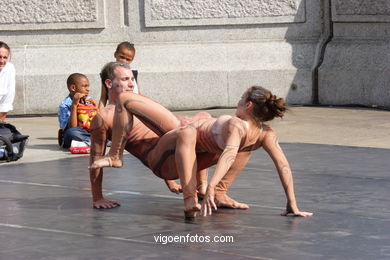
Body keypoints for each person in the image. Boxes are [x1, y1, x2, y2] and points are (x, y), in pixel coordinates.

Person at [91, 85, 313, 219]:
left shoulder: (244, 128)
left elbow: (234, 156)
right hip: (175, 141)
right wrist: (291, 202)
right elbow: (279, 164)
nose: (237, 100)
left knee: (128, 99)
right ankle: (116, 155)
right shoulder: (263, 131)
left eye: (241, 98)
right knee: (193, 125)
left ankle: (205, 196)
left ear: (248, 106)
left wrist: (211, 188)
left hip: (181, 148)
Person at [90, 62, 211, 209]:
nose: (130, 84)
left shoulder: (140, 103)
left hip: (176, 151)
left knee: (204, 117)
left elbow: (160, 135)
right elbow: (96, 159)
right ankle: (194, 195)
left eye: (132, 79)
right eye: (125, 79)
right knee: (189, 131)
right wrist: (98, 198)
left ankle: (202, 187)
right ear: (109, 83)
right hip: (164, 160)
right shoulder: (103, 117)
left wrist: (171, 183)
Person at [58, 73, 97, 149]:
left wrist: (96, 107)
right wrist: (74, 105)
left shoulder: (88, 100)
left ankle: (88, 142)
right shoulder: (65, 105)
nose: (88, 89)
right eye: (84, 86)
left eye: (88, 86)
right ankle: (96, 141)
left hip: (89, 132)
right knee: (71, 133)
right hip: (77, 133)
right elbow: (72, 127)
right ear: (73, 88)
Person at [98, 42, 140, 110]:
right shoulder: (107, 73)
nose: (124, 61)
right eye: (122, 57)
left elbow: (138, 93)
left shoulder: (133, 74)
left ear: (132, 60)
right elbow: (103, 98)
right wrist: (99, 114)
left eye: (128, 59)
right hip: (114, 109)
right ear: (115, 54)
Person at [0, 41, 16, 122]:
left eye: (5, 57)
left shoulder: (10, 69)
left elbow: (7, 99)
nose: (2, 61)